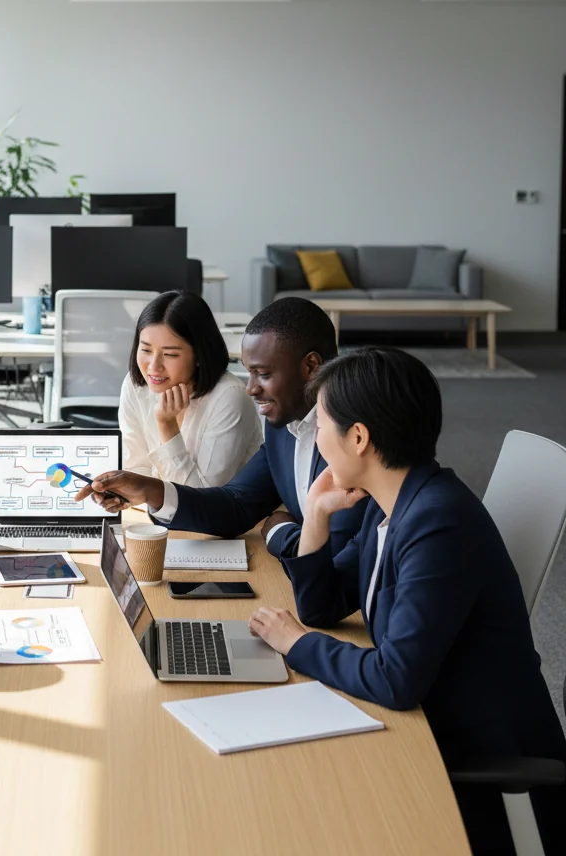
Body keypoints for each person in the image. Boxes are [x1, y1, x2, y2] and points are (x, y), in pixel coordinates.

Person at [247, 347, 566, 854]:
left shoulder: (437, 523)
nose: (316, 439)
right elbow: (323, 606)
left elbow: (396, 679)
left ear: (358, 438)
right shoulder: (395, 502)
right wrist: (317, 516)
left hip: (473, 754)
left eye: (322, 425)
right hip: (425, 716)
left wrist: (298, 644)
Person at [77, 297, 368, 559]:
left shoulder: (352, 440)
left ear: (311, 366)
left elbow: (336, 556)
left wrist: (280, 532)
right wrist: (149, 490)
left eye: (263, 374)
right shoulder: (283, 430)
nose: (251, 389)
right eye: (250, 372)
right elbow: (236, 506)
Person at [118, 290, 262, 488]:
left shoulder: (229, 397)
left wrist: (166, 425)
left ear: (199, 356)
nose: (153, 367)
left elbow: (201, 498)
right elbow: (135, 468)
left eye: (170, 354)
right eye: (145, 350)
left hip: (224, 517)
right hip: (156, 514)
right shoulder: (136, 386)